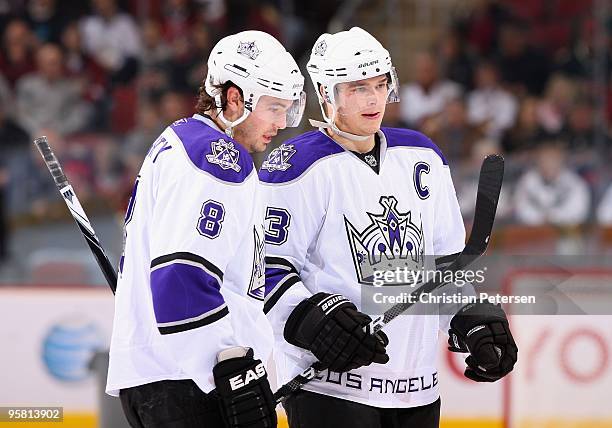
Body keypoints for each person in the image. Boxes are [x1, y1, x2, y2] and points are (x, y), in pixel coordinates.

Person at [259, 27, 517, 428]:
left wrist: (470, 318)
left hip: (417, 388)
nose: (374, 99)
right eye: (358, 88)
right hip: (330, 389)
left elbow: (446, 267)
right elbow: (266, 270)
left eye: (380, 85)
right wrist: (313, 323)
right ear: (326, 93)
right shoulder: (296, 166)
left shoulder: (421, 155)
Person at [106, 30, 306, 428]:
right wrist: (232, 377)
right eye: (274, 108)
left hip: (163, 378)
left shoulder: (181, 140)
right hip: (188, 384)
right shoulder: (216, 158)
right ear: (234, 99)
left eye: (288, 109)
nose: (282, 123)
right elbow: (180, 278)